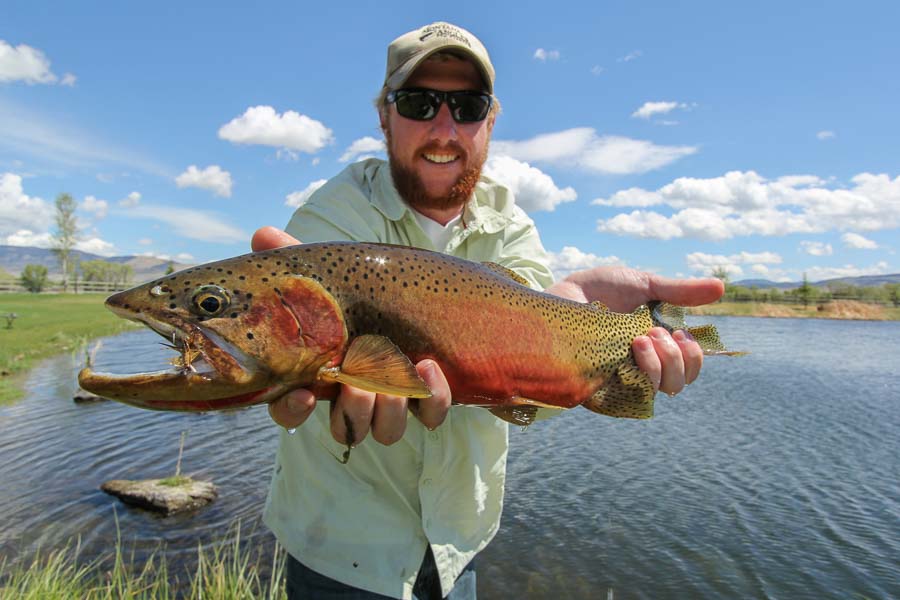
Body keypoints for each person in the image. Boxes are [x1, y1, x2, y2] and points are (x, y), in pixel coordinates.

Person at [251, 21, 723, 600]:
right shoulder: (329, 222)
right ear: (383, 116)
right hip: (340, 551)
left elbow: (527, 396)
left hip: (459, 548)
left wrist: (598, 346)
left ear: (490, 121)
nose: (444, 128)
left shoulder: (513, 227)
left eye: (467, 105)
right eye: (419, 102)